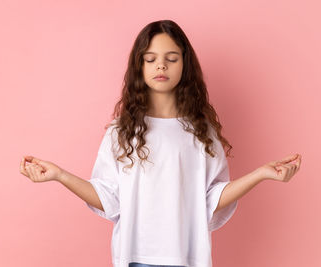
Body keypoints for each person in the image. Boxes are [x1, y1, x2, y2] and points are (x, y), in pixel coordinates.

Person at [19, 19, 302, 267]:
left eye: (171, 58)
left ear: (185, 63)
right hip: (135, 257)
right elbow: (109, 199)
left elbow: (211, 199)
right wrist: (59, 176)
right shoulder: (121, 132)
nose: (161, 65)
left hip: (188, 258)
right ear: (139, 65)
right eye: (150, 58)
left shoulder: (202, 133)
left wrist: (261, 174)